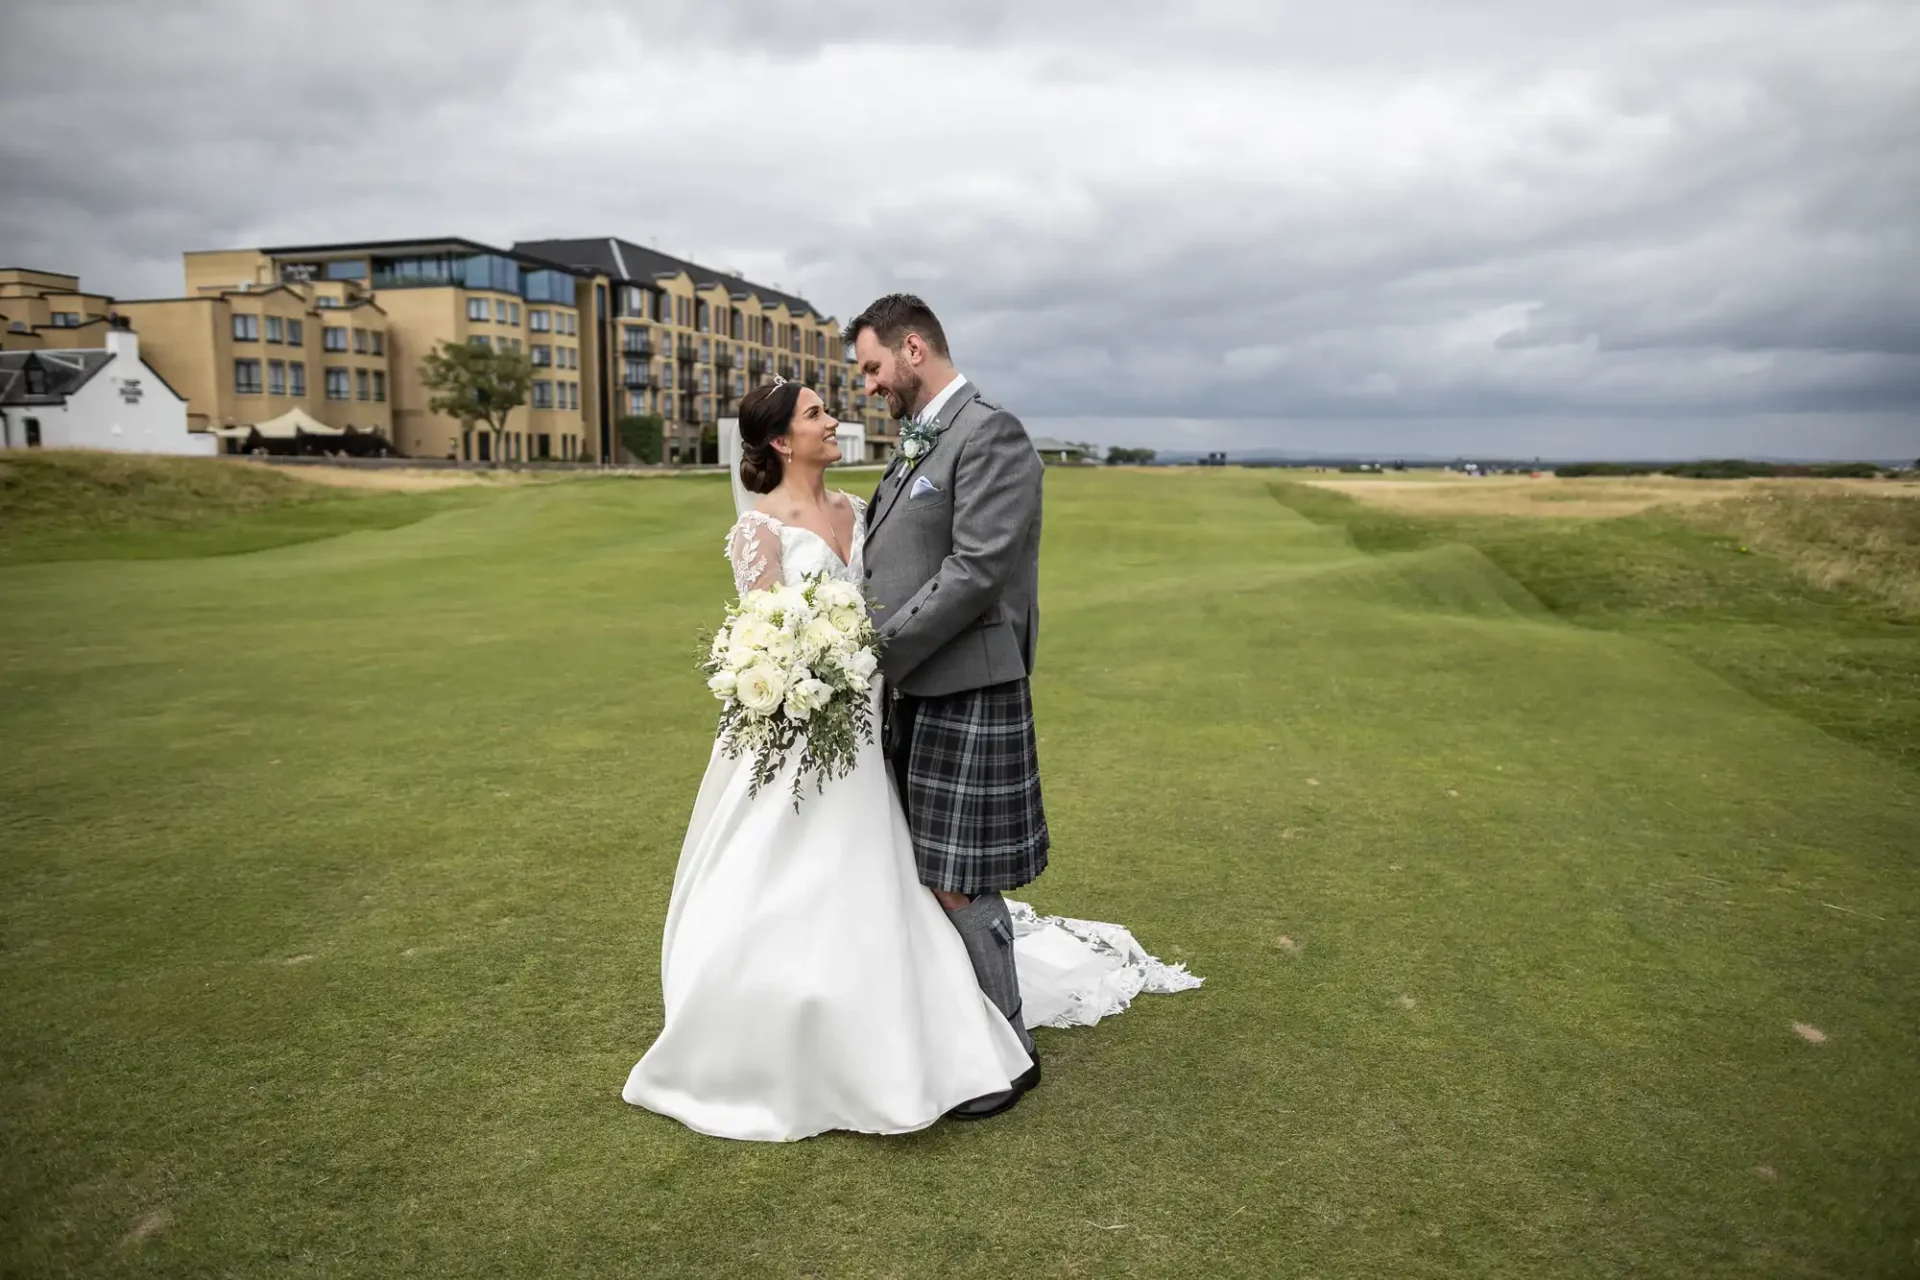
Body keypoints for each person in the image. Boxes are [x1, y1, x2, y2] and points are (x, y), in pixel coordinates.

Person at [623, 312, 1197, 1144]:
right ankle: (820, 1016)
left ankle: (998, 1031)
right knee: (878, 871)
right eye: (827, 403)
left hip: (906, 691)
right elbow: (777, 621)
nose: (855, 398)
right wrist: (811, 672)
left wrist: (867, 656)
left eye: (864, 373)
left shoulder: (953, 451)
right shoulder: (818, 498)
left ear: (912, 350)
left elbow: (966, 571)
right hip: (836, 711)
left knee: (935, 872)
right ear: (781, 442)